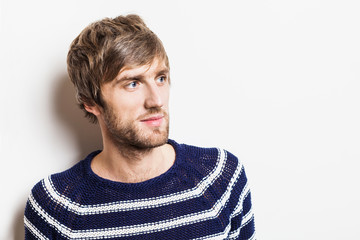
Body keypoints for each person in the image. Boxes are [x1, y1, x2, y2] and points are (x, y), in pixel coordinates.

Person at [24, 14, 256, 239]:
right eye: (133, 83)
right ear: (91, 102)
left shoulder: (221, 177)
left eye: (161, 78)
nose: (156, 100)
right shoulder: (54, 206)